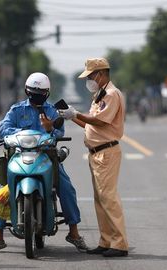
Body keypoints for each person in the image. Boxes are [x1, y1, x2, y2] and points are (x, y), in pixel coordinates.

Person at [0, 72, 88, 253]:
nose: (37, 95)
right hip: (19, 157)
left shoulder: (52, 111)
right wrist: (20, 133)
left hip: (47, 157)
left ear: (47, 93)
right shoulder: (16, 110)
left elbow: (59, 133)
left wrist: (50, 129)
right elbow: (4, 128)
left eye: (41, 92)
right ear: (27, 91)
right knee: (6, 190)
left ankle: (74, 233)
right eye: (34, 92)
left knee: (66, 187)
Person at [58, 58, 128, 257]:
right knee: (100, 200)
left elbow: (100, 121)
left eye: (90, 76)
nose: (89, 79)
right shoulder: (100, 95)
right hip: (96, 153)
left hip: (106, 152)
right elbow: (92, 125)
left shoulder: (112, 95)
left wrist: (76, 113)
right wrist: (74, 117)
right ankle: (106, 240)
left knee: (109, 199)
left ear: (101, 74)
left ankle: (119, 243)